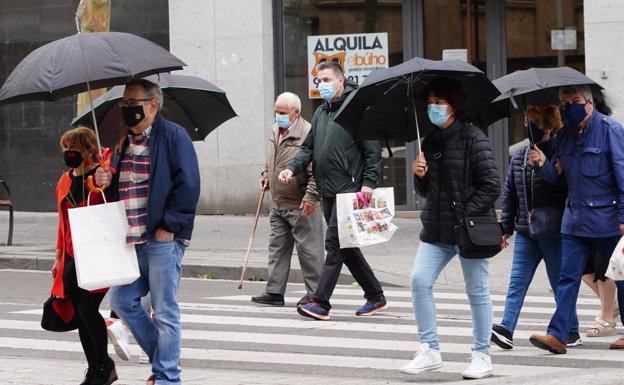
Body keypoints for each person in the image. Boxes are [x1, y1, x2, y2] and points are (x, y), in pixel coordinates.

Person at [95, 78, 200, 385]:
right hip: (134, 238)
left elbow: (189, 184)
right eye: (124, 104)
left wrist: (169, 225)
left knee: (164, 309)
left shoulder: (173, 136)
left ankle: (168, 377)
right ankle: (164, 362)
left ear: (152, 105)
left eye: (133, 104)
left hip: (162, 239)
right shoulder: (124, 140)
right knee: (123, 300)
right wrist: (106, 179)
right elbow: (121, 188)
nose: (127, 110)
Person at [399, 77, 499, 379]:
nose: (433, 109)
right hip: (437, 228)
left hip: (468, 229)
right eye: (429, 104)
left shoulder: (473, 138)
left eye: (438, 103)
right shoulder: (429, 141)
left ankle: (482, 354)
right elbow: (429, 191)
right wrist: (420, 176)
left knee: (477, 290)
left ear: (454, 106)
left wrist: (465, 212)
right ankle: (429, 349)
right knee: (419, 280)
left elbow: (491, 186)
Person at [278, 61, 387, 320]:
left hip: (350, 190)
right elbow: (308, 148)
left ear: (341, 80)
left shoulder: (357, 108)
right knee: (347, 246)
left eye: (326, 80)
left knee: (335, 244)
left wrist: (369, 183)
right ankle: (375, 296)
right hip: (328, 189)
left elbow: (372, 151)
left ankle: (320, 301)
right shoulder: (322, 112)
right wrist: (291, 169)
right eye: (319, 80)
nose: (322, 85)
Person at [528, 84, 624, 353]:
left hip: (607, 219)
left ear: (590, 103)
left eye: (575, 101)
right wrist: (542, 164)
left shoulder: (610, 130)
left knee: (620, 276)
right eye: (565, 103)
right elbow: (557, 179)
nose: (570, 107)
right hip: (574, 220)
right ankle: (558, 335)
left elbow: (623, 175)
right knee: (567, 277)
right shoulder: (565, 137)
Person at [492, 104, 581, 350]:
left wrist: (545, 166)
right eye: (526, 121)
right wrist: (505, 227)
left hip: (554, 231)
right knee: (517, 282)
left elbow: (568, 188)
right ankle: (506, 329)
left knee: (558, 284)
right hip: (526, 230)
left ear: (550, 127)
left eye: (534, 122)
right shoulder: (520, 155)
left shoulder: (562, 152)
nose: (528, 127)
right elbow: (511, 193)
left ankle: (571, 330)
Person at [51, 127, 117, 385]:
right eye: (66, 149)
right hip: (71, 256)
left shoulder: (101, 177)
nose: (69, 153)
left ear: (90, 150)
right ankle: (94, 369)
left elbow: (110, 203)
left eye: (75, 149)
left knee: (88, 308)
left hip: (97, 252)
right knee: (80, 313)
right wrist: (57, 258)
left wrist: (105, 181)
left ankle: (104, 366)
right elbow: (61, 222)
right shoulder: (64, 181)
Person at [251, 92, 324, 307]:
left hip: (302, 203)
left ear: (296, 113)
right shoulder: (275, 130)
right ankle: (274, 292)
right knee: (277, 248)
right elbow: (271, 161)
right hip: (278, 201)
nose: (277, 116)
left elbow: (317, 171)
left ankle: (315, 294)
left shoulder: (308, 132)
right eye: (276, 111)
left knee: (310, 252)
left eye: (282, 112)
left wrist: (311, 196)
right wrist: (266, 177)